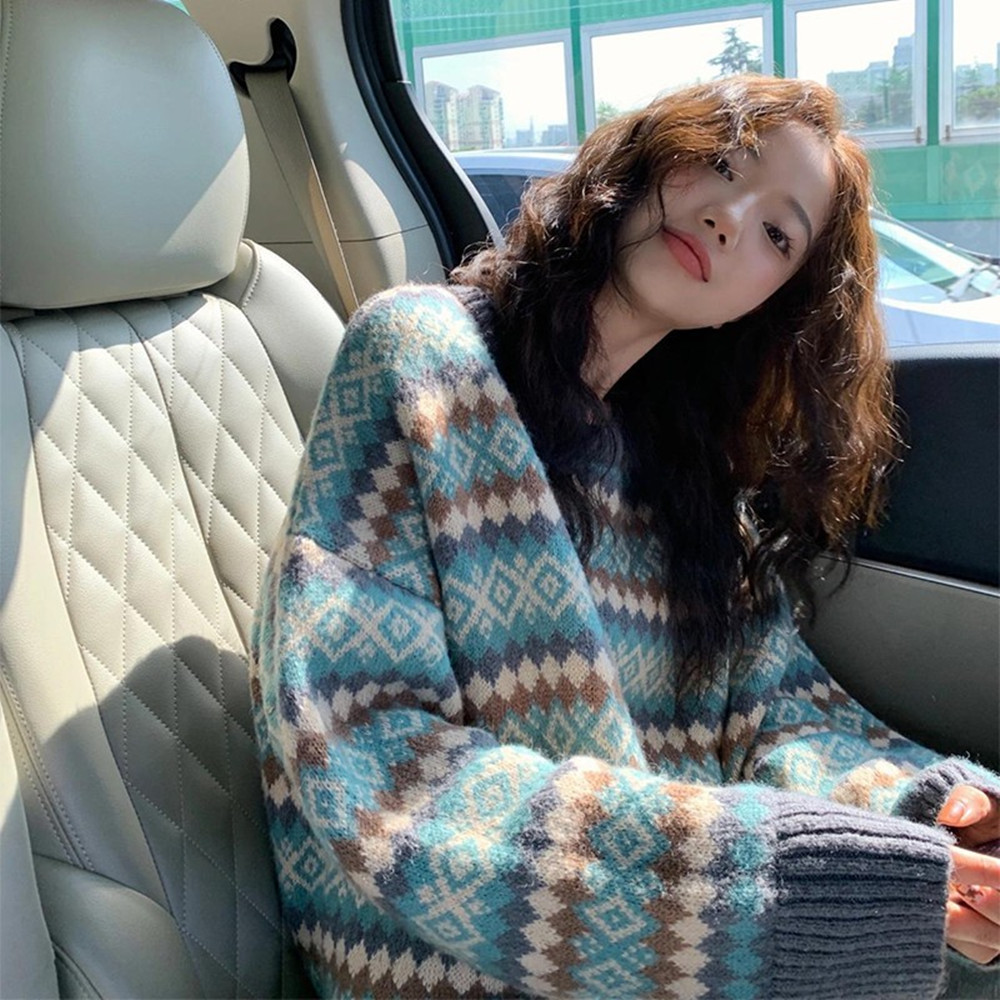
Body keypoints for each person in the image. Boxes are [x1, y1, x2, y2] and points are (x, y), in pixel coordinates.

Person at [251, 75, 999, 998]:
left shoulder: (684, 472)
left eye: (778, 234)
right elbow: (368, 751)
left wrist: (935, 815)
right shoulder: (421, 355)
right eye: (721, 163)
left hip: (665, 939)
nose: (729, 217)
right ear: (649, 154)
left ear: (767, 301)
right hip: (443, 954)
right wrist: (777, 887)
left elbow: (771, 710)